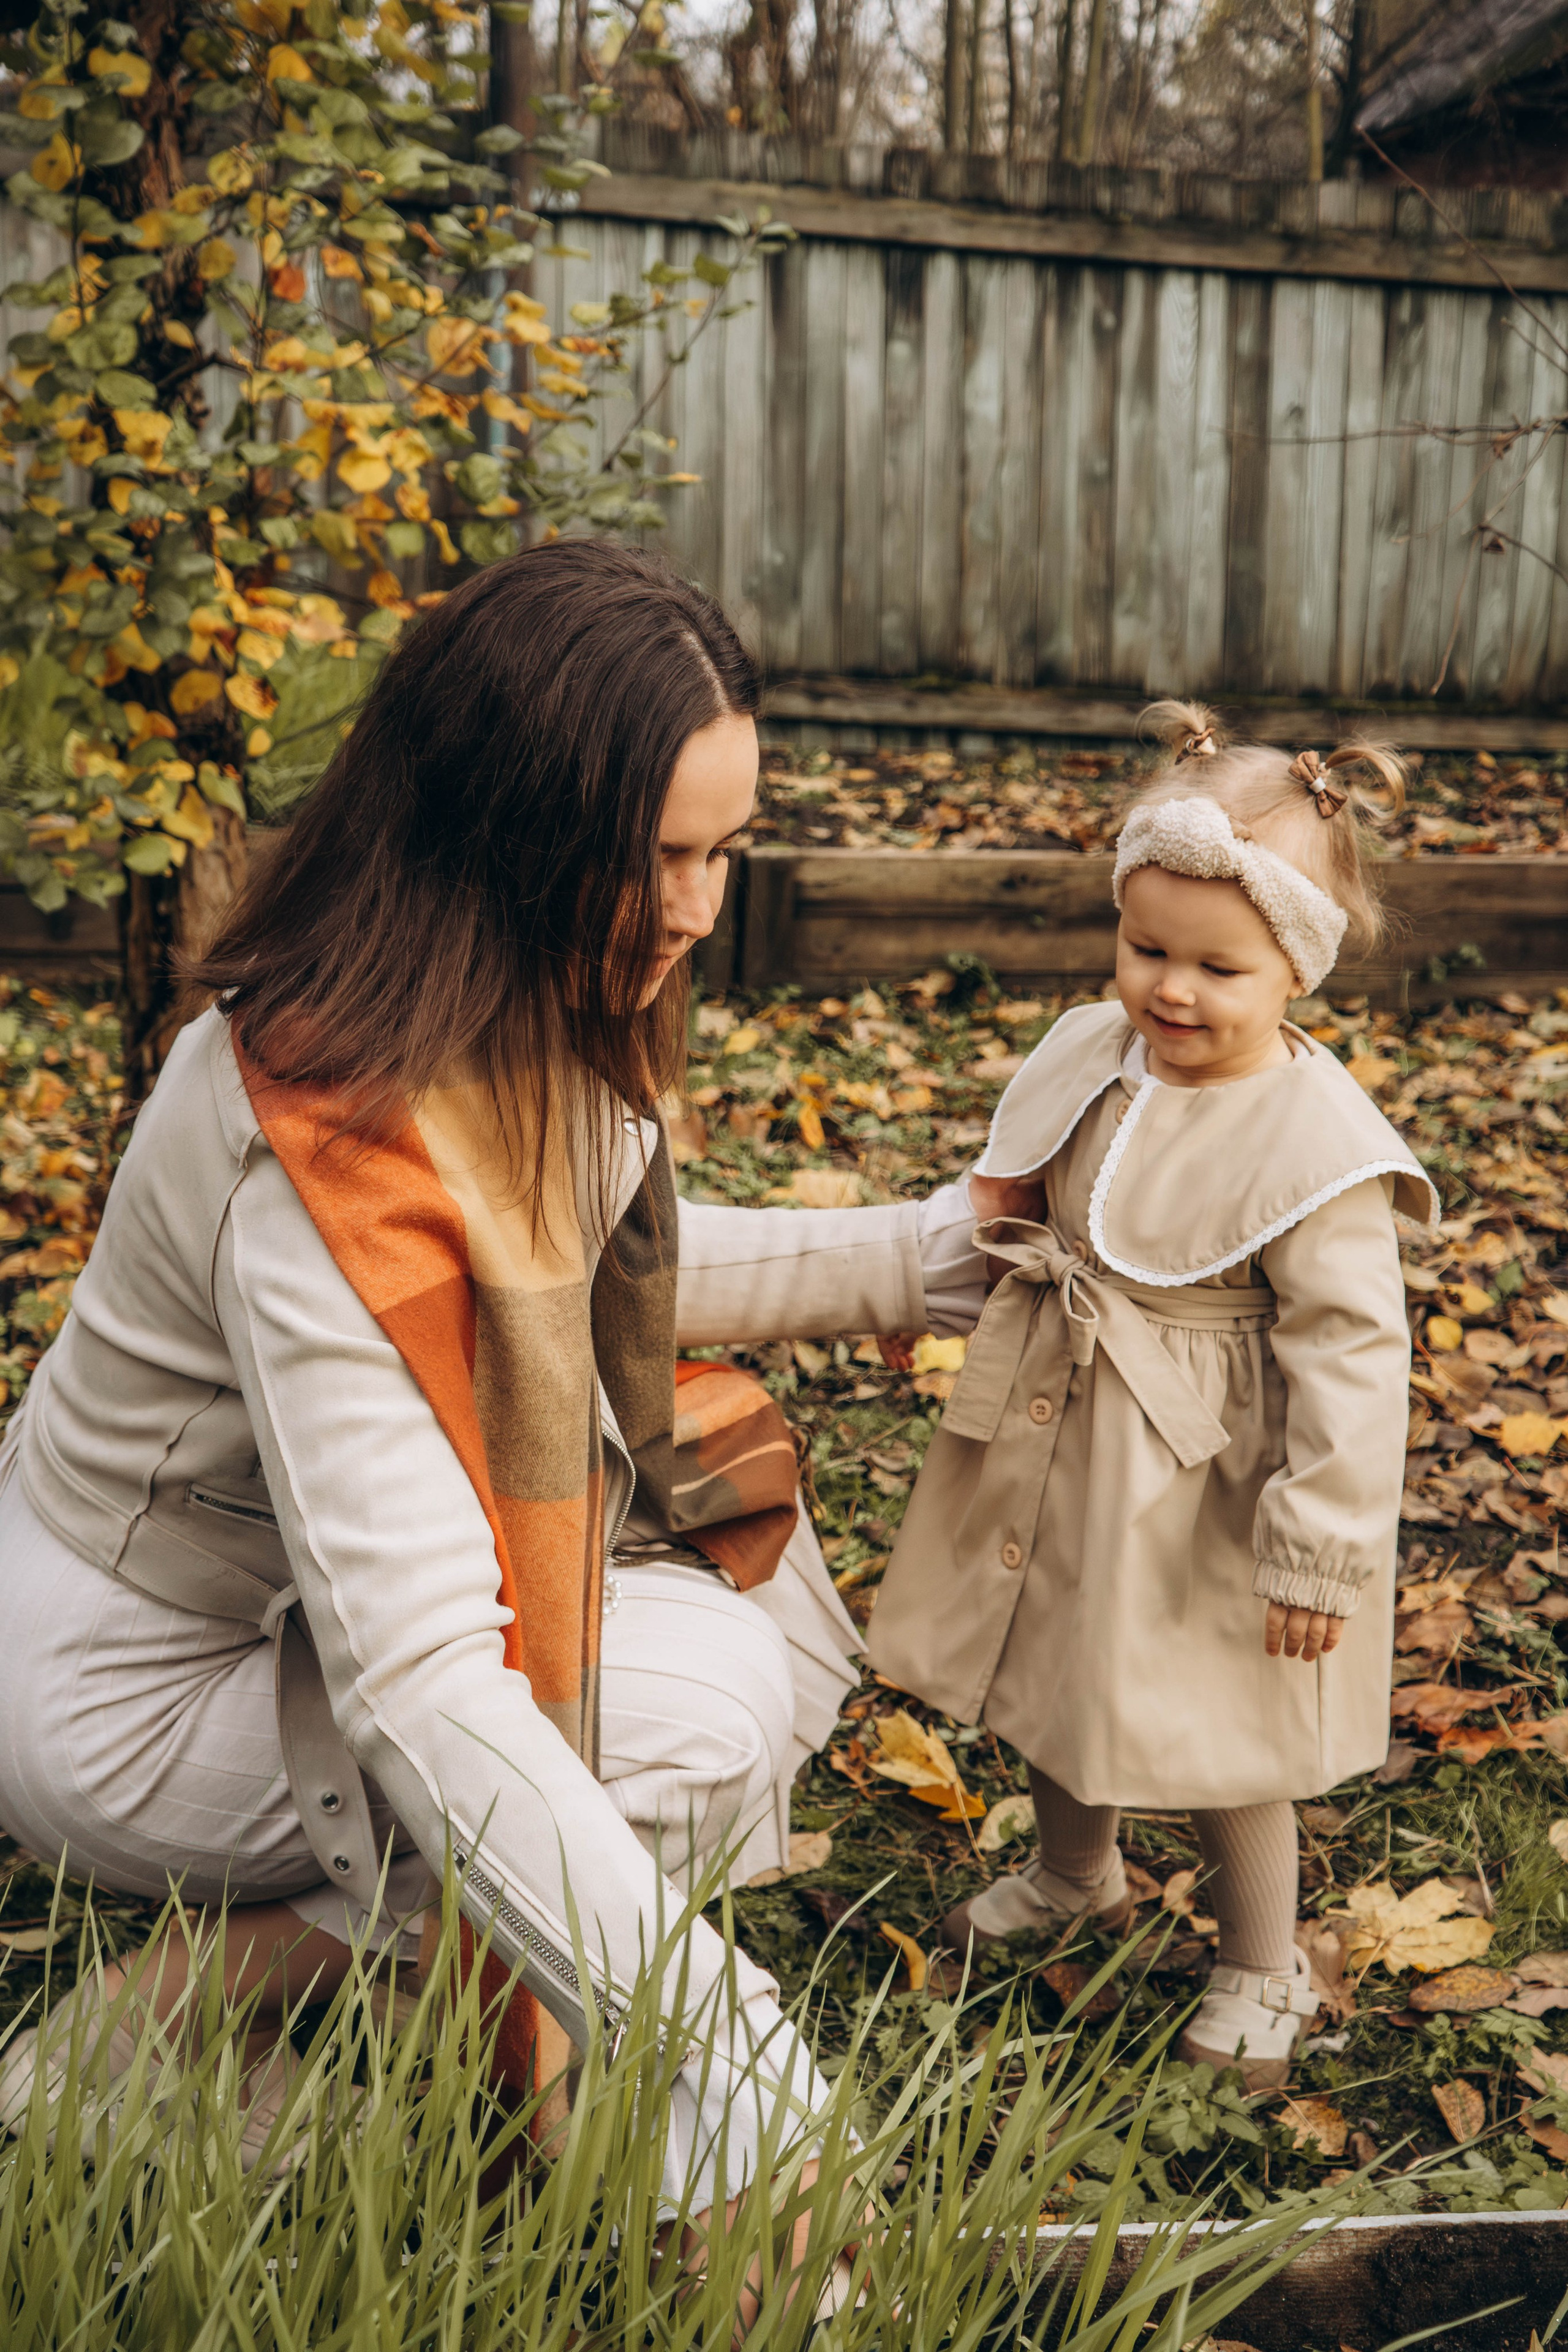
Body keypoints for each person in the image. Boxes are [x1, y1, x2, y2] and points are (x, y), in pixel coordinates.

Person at [0, 543, 977, 2237]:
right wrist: (731, 2064)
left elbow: (607, 1261)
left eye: (724, 854)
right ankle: (170, 2011)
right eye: (653, 857)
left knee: (734, 1612)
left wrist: (932, 1251)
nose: (695, 911)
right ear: (502, 830)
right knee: (685, 1725)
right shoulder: (318, 1126)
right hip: (137, 1685)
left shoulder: (486, 998)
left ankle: (366, 1989)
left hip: (270, 1630)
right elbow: (419, 1677)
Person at [869, 701, 1436, 2089]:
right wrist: (948, 1284)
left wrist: (1318, 1542)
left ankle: (1261, 1962)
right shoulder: (1094, 1052)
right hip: (1069, 1427)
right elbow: (1022, 1189)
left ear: (1293, 971)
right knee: (1058, 1662)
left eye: (1216, 970)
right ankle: (1077, 1873)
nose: (1169, 991)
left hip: (1214, 1480)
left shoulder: (1314, 1144)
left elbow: (1353, 1361)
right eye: (1144, 951)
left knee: (1219, 1717)